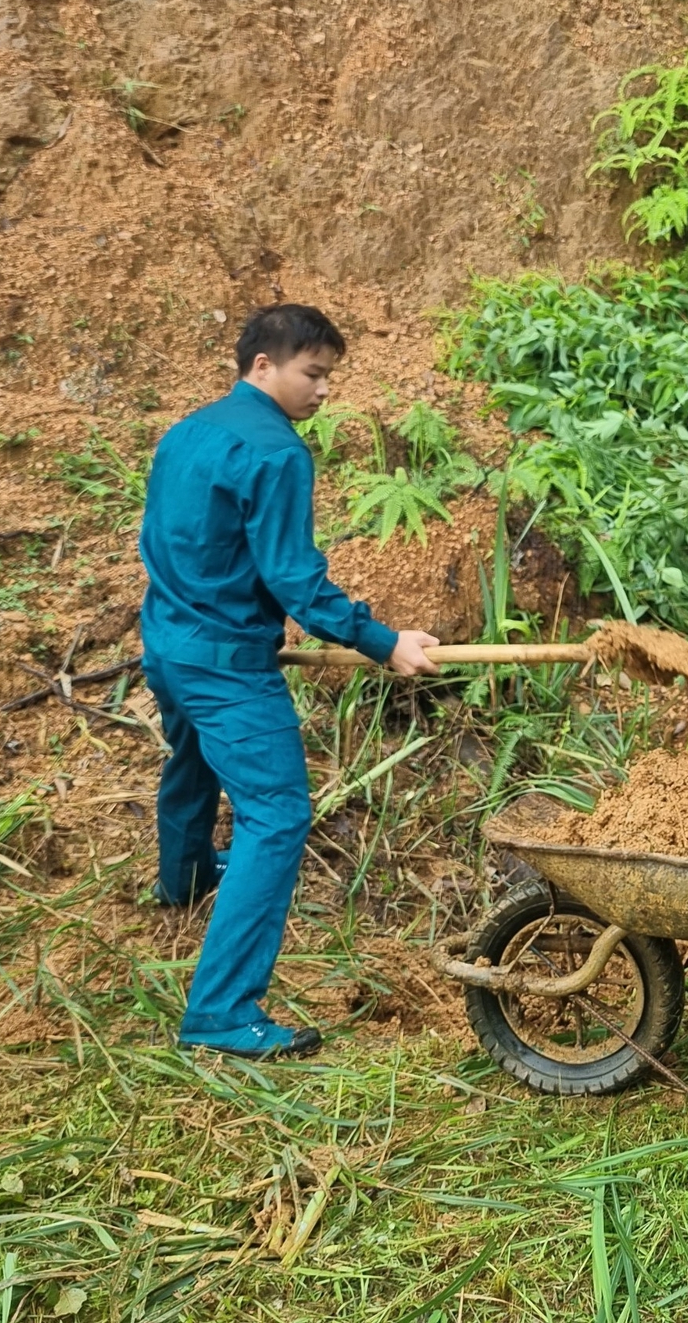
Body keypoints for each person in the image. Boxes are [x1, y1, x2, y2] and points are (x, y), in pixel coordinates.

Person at [139, 304, 442, 1059]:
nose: (324, 390)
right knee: (276, 818)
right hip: (227, 664)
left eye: (329, 375)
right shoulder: (277, 451)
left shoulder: (187, 431)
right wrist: (382, 642)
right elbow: (293, 580)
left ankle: (182, 883)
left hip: (168, 642)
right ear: (263, 366)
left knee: (191, 761)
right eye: (314, 373)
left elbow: (169, 539)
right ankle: (220, 1010)